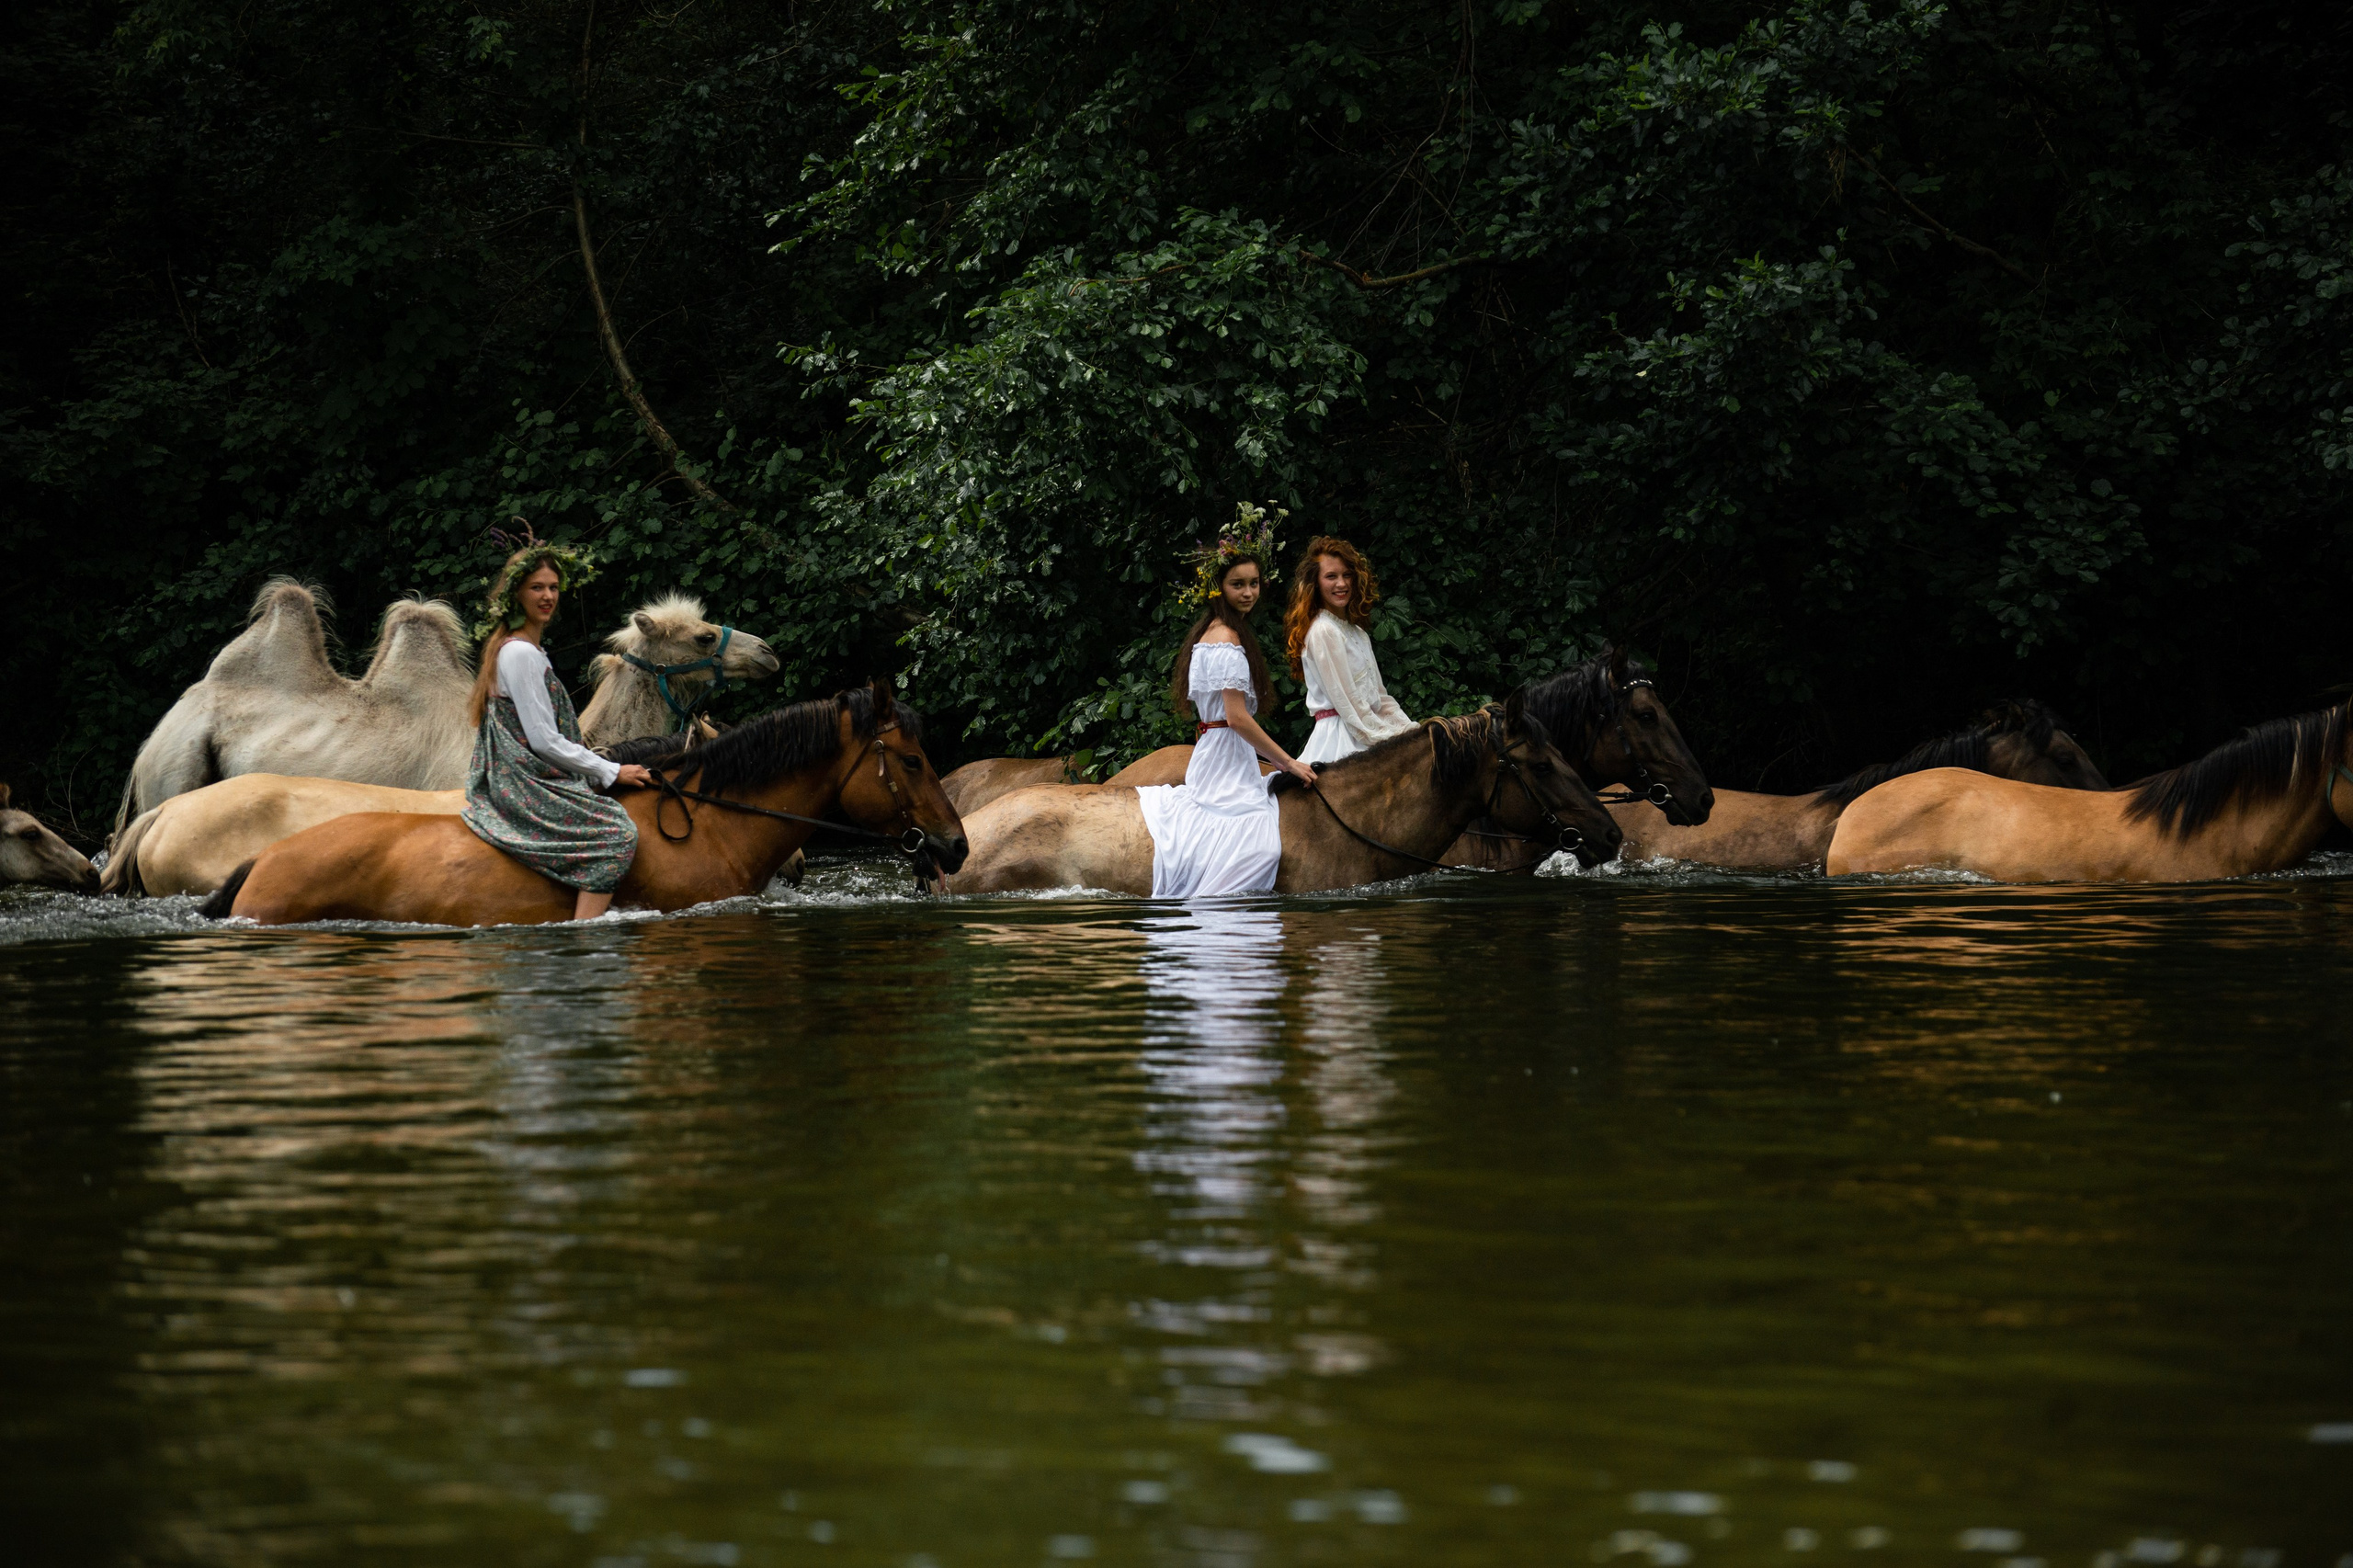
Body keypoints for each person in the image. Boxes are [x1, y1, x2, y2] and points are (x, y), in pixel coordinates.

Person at [460, 540, 654, 920]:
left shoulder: (525, 649)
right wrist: (610, 770)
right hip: (525, 780)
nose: (547, 596)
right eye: (537, 587)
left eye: (553, 587)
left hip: (531, 772)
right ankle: (586, 932)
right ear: (517, 594)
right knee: (617, 835)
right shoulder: (520, 654)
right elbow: (543, 741)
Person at [1135, 516, 1316, 898]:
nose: (1248, 593)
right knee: (1260, 844)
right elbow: (1236, 718)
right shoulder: (1226, 640)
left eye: (1253, 584)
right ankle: (1212, 910)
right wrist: (1288, 762)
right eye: (1237, 585)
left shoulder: (1212, 633)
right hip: (1224, 756)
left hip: (1220, 751)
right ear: (1219, 588)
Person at [1284, 536, 1415, 765]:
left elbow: (1381, 698)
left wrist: (1411, 732)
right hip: (1342, 739)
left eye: (1347, 575)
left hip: (1366, 727)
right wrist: (1388, 739)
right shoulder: (1324, 630)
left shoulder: (1357, 633)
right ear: (1315, 582)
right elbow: (1347, 702)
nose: (1341, 584)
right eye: (1331, 576)